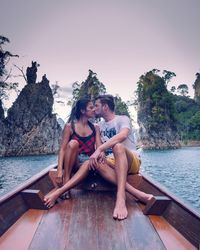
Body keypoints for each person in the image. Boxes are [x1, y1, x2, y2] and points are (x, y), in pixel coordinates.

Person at [89, 94, 153, 220]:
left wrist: (101, 149)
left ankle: (121, 198)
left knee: (118, 147)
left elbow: (123, 135)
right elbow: (98, 147)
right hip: (112, 162)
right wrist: (99, 147)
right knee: (95, 163)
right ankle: (137, 194)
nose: (94, 109)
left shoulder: (123, 119)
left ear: (105, 107)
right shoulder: (99, 126)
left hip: (131, 160)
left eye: (96, 105)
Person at [45, 97, 102, 201]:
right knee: (73, 143)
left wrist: (101, 154)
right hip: (73, 163)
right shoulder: (69, 126)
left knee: (86, 155)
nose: (94, 109)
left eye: (94, 107)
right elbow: (62, 149)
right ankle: (66, 179)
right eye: (91, 107)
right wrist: (59, 171)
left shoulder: (95, 127)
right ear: (82, 111)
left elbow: (99, 147)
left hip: (88, 163)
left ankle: (65, 186)